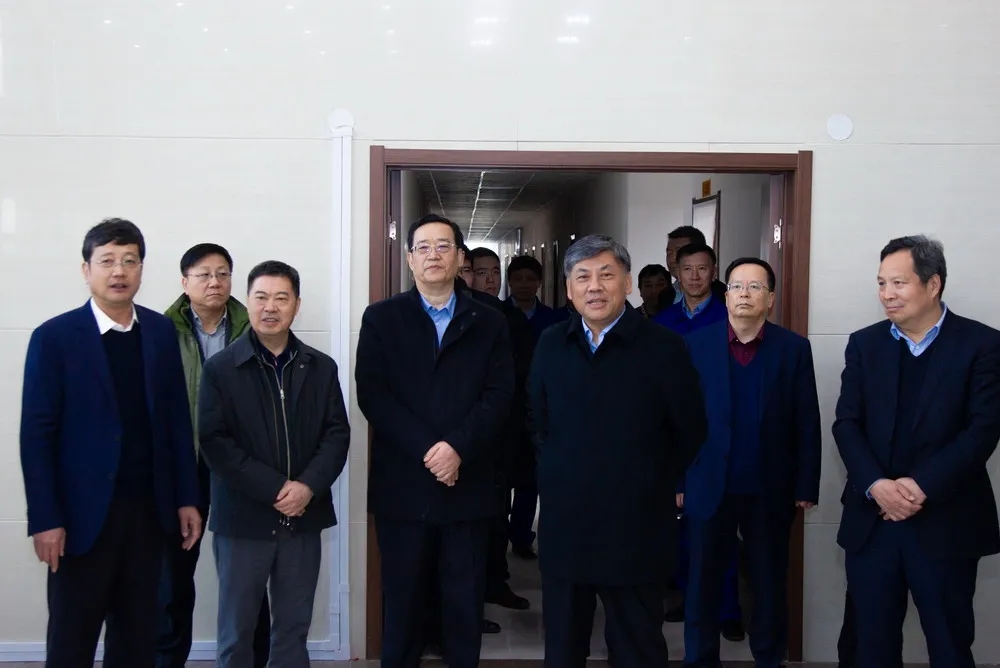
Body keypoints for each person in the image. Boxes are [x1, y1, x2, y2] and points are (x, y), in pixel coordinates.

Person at [19, 218, 202, 668]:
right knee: (71, 638)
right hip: (79, 519)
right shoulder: (54, 338)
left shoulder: (160, 332)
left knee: (138, 637)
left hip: (147, 513)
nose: (119, 271)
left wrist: (186, 497)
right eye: (107, 261)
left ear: (141, 269)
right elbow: (36, 436)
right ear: (86, 270)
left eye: (129, 261)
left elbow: (177, 423)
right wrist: (45, 518)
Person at [528, 234, 708, 668]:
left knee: (637, 647)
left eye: (606, 275)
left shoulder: (663, 347)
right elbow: (536, 420)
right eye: (583, 277)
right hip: (567, 523)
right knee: (563, 648)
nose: (595, 286)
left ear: (627, 283)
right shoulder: (551, 343)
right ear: (568, 288)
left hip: (636, 525)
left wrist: (647, 478)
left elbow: (690, 429)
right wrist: (560, 470)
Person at [834, 235, 1000, 668]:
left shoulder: (982, 345)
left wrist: (919, 486)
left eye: (899, 283)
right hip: (873, 522)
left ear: (933, 284)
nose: (887, 294)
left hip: (946, 522)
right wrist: (876, 484)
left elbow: (983, 430)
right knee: (869, 648)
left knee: (949, 646)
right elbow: (846, 424)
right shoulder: (865, 344)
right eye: (881, 283)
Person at [357, 214, 515, 668]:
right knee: (403, 603)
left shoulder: (489, 321)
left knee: (464, 606)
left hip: (469, 486)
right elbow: (373, 394)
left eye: (443, 246)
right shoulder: (382, 318)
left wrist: (457, 447)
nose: (433, 255)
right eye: (423, 247)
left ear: (460, 257)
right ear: (409, 259)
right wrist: (430, 451)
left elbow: (499, 394)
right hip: (403, 487)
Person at [199, 260, 351, 668]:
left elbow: (337, 434)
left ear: (296, 305)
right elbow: (215, 441)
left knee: (292, 629)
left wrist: (307, 487)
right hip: (242, 520)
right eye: (261, 297)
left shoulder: (320, 367)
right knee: (237, 630)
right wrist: (275, 489)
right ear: (246, 302)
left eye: (281, 298)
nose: (271, 307)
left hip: (303, 516)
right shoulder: (221, 368)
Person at [680, 257, 821, 668]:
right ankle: (699, 659)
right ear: (726, 296)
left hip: (769, 488)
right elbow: (679, 421)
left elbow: (806, 420)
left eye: (755, 287)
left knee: (769, 583)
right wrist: (678, 481)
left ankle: (769, 659)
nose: (744, 294)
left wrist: (806, 484)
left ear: (770, 299)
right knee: (702, 583)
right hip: (709, 484)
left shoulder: (793, 349)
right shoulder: (695, 345)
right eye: (737, 286)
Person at [158, 243, 271, 668]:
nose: (214, 282)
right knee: (170, 578)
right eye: (203, 274)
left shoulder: (253, 327)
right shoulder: (160, 331)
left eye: (222, 273)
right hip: (181, 467)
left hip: (239, 467)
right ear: (184, 282)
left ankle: (253, 660)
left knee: (246, 576)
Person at [658, 225, 727, 309]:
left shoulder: (725, 296)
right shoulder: (665, 295)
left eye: (679, 252)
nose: (672, 259)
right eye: (669, 253)